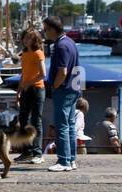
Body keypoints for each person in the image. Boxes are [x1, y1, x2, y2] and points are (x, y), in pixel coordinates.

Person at [43, 16, 80, 172]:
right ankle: (71, 159)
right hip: (73, 88)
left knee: (61, 126)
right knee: (70, 125)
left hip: (63, 90)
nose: (44, 33)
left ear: (52, 29)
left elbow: (62, 71)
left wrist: (54, 87)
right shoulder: (71, 42)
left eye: (45, 30)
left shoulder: (60, 46)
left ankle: (63, 160)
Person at [16, 29, 46, 164]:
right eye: (25, 38)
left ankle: (37, 152)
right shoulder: (25, 54)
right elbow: (24, 73)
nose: (26, 40)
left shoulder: (38, 53)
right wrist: (19, 90)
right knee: (23, 119)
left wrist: (29, 83)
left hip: (37, 89)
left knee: (36, 120)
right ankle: (26, 151)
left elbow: (42, 74)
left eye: (29, 38)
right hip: (26, 89)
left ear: (35, 40)